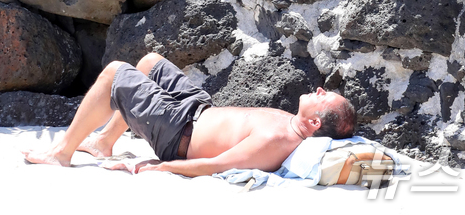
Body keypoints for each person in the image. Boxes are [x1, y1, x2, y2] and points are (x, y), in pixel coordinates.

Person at [23, 52, 356, 176]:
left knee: (114, 72)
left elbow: (216, 165)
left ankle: (61, 153)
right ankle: (104, 142)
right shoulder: (291, 123)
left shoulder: (277, 139)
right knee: (150, 62)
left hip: (177, 132)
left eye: (325, 98)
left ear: (314, 123)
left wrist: (156, 165)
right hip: (196, 109)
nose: (320, 90)